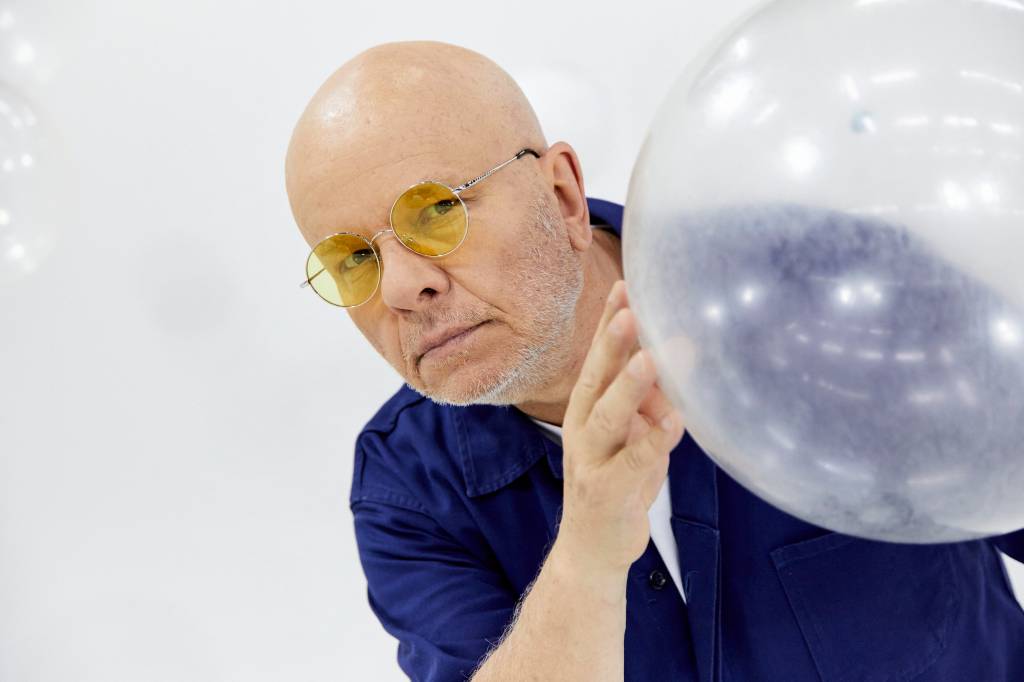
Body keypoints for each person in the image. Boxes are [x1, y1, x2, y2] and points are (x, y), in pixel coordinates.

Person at [284, 41, 1024, 682]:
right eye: (351, 259)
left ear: (564, 195)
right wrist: (588, 550)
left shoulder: (822, 289)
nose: (405, 287)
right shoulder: (409, 489)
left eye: (438, 211)